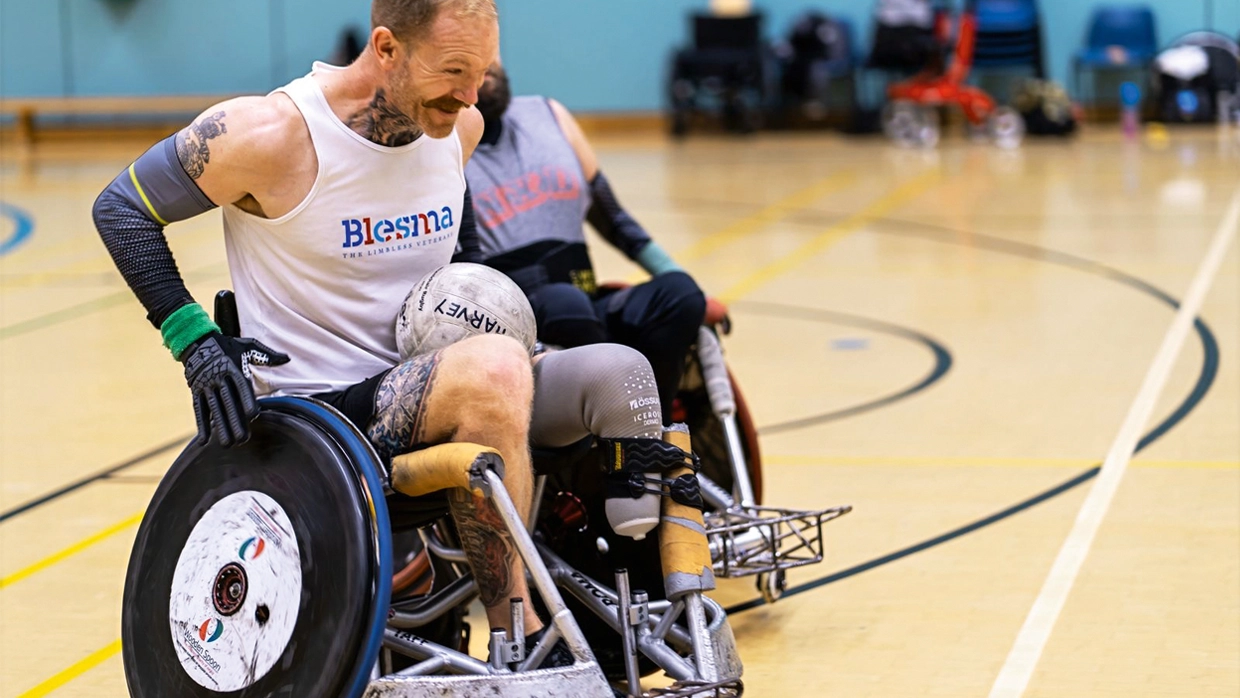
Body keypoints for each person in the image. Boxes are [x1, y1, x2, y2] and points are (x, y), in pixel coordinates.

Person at [91, 0, 571, 658]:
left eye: (481, 73)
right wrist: (195, 342)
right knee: (494, 370)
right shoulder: (268, 134)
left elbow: (463, 259)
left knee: (606, 371)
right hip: (315, 421)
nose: (471, 94)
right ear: (387, 48)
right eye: (454, 71)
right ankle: (522, 636)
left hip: (426, 384)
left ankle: (631, 615)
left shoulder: (459, 128)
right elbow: (122, 209)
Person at [463, 63, 710, 425]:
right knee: (565, 302)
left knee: (680, 294)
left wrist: (678, 275)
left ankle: (651, 433)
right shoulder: (440, 147)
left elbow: (616, 221)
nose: (485, 66)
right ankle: (618, 428)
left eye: (489, 52)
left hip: (586, 302)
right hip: (521, 325)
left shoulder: (548, 114)